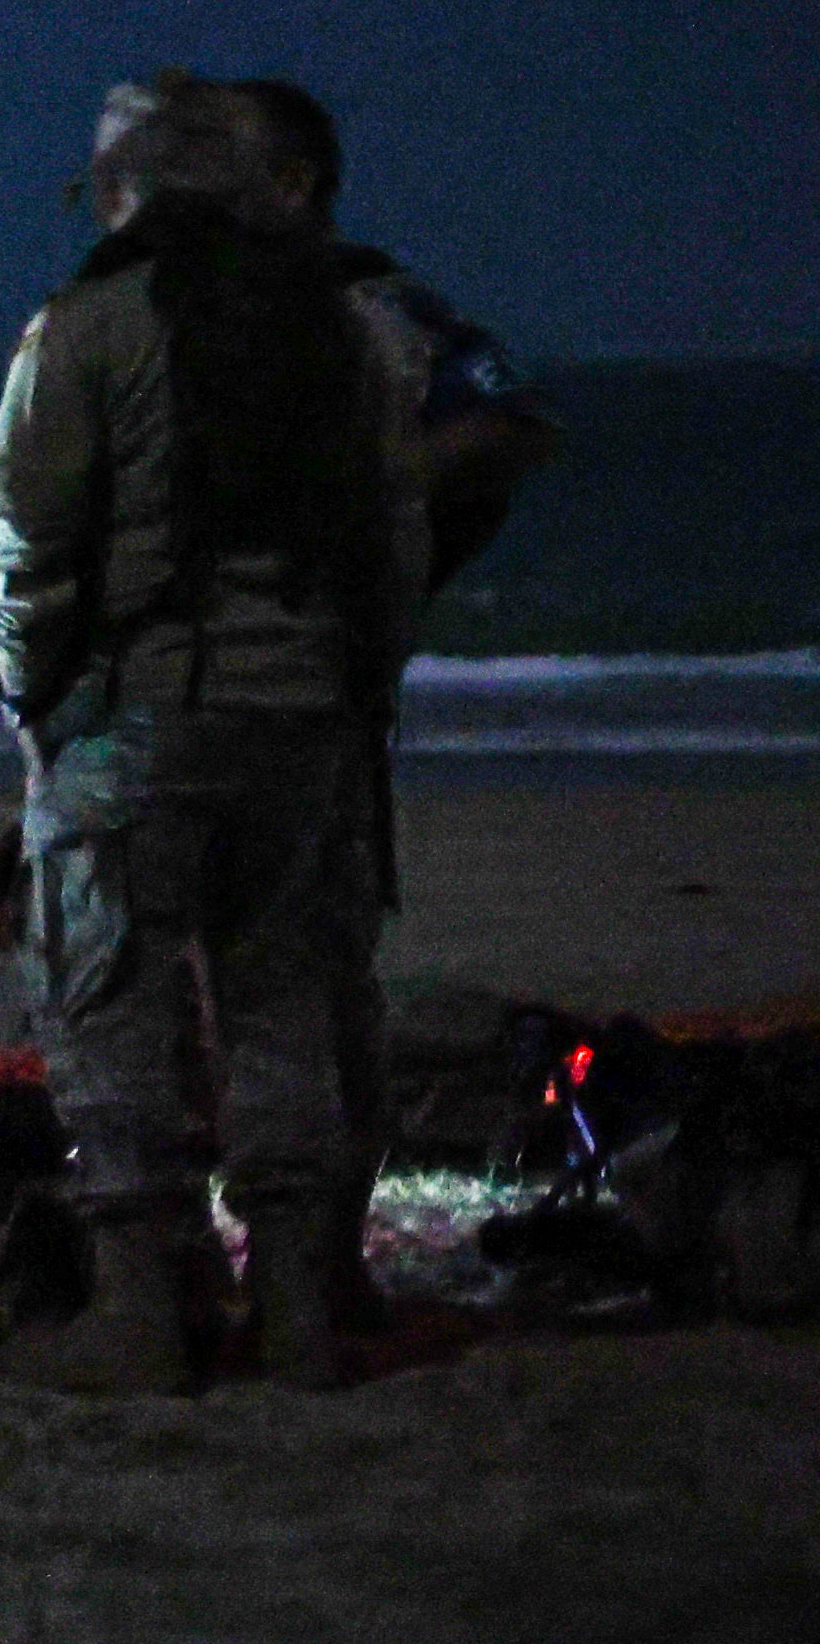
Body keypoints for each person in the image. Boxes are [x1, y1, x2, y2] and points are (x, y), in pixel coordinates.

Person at [0, 78, 424, 1392]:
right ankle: (296, 1309)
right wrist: (349, 688)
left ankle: (144, 1309)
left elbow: (23, 536)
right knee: (288, 993)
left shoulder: (89, 330)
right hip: (308, 727)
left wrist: (36, 696)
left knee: (107, 997)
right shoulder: (360, 335)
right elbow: (395, 545)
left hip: (137, 718)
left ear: (128, 194)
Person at [226, 77, 557, 1335]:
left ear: (296, 183)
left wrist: (381, 518)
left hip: (313, 701)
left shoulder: (378, 310)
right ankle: (282, 1260)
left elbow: (509, 425)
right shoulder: (203, 319)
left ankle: (317, 1270)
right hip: (214, 696)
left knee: (307, 981)